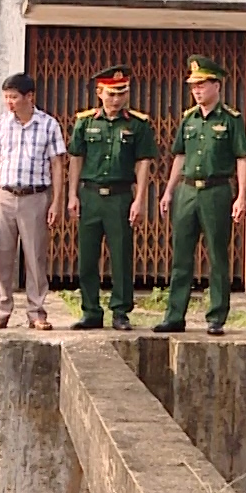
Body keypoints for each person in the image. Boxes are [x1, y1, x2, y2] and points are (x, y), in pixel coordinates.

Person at [156, 55, 246, 335]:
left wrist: (242, 196)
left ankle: (216, 317)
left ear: (216, 86)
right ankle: (175, 316)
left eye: (202, 84)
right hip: (187, 190)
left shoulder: (231, 119)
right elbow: (180, 155)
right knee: (181, 257)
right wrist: (169, 190)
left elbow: (242, 158)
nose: (197, 90)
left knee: (218, 256)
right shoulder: (188, 119)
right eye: (193, 85)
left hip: (217, 191)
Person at [66, 64, 159, 332]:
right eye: (111, 93)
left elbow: (143, 163)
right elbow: (76, 158)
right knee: (87, 257)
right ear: (99, 93)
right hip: (90, 195)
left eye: (122, 93)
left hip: (120, 196)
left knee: (121, 256)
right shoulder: (85, 122)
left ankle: (121, 311)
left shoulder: (138, 124)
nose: (116, 99)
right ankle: (91, 311)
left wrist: (139, 199)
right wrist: (72, 194)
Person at [0, 72, 67, 331]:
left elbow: (57, 165)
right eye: (6, 97)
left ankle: (36, 312)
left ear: (29, 97)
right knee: (1, 254)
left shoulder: (49, 125)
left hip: (35, 197)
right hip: (3, 195)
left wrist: (56, 202)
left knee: (35, 256)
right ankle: (0, 310)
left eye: (14, 97)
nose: (10, 102)